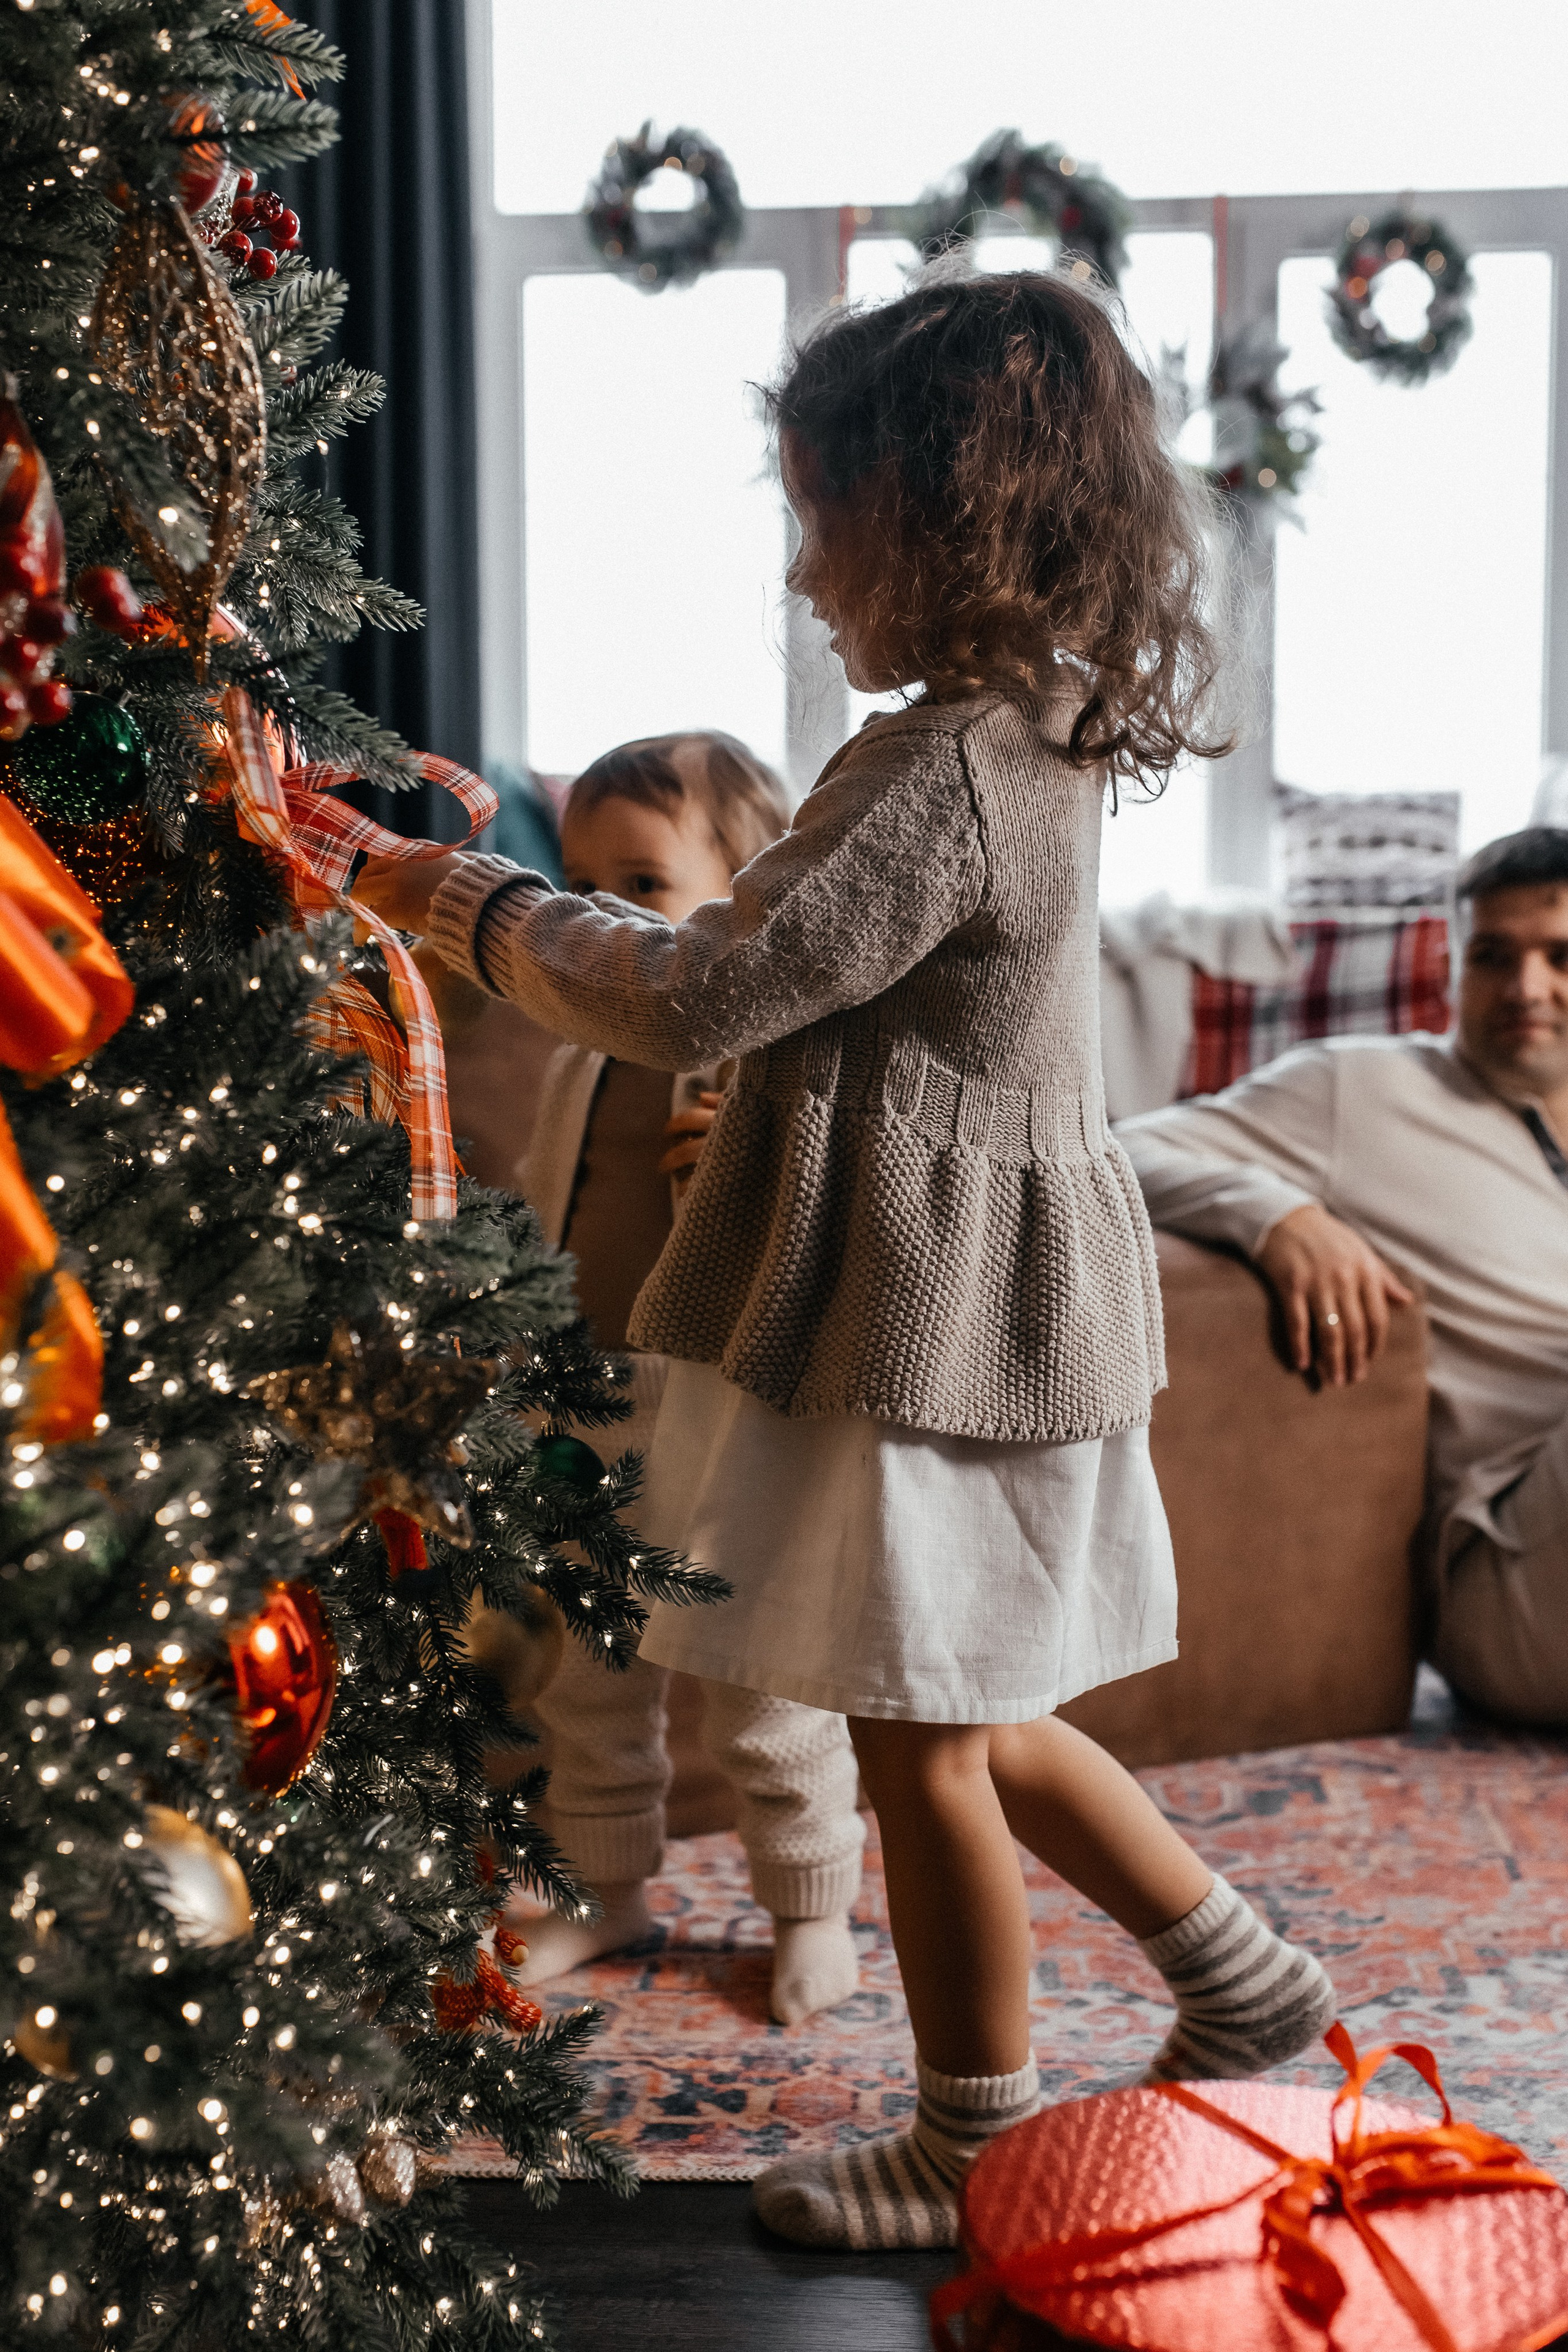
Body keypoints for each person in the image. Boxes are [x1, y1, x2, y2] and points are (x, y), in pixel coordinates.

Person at [355, 268, 1335, 2253]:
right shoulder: (1039, 733)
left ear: (935, 516)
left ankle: (974, 2144)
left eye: (823, 520)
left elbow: (709, 984)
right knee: (975, 1713)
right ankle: (1239, 1973)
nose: (808, 572)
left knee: (922, 1754)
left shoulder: (942, 771)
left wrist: (454, 895)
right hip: (984, 1304)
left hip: (926, 1328)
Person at [506, 730, 865, 2028]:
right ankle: (606, 1889)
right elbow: (554, 1207)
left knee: (759, 1684)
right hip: (583, 1397)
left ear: (748, 891)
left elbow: (824, 1249)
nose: (600, 915)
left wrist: (751, 1170)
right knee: (587, 1675)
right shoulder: (577, 1053)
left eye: (644, 888)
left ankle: (810, 1903)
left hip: (722, 1411)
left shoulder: (769, 1063)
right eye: (578, 881)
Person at [1115, 825, 1568, 1727]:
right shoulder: (1360, 1091)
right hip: (1516, 1566)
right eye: (1493, 956)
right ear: (1451, 969)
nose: (1528, 989)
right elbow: (1121, 1149)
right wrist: (1275, 1215)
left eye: (1560, 956)